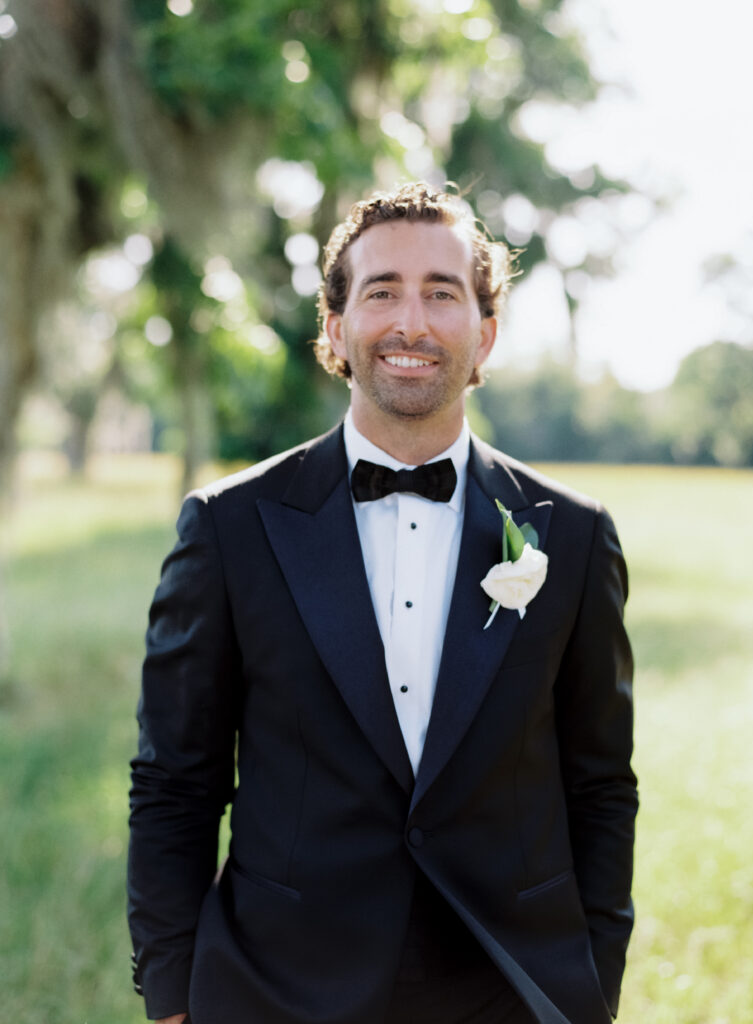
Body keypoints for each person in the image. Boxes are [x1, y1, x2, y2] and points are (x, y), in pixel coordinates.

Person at [128, 182, 637, 1024]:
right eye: (382, 292)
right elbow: (175, 782)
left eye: (443, 293)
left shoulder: (574, 537)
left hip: (512, 988)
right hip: (275, 989)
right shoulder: (228, 528)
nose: (412, 322)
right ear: (335, 329)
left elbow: (601, 788)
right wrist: (175, 994)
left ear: (485, 337)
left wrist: (595, 984)